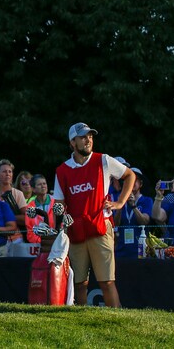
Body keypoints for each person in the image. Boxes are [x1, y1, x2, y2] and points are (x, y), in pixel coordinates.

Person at [53, 122, 134, 308]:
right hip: (76, 231)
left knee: (107, 281)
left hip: (100, 227)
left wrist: (120, 203)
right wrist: (59, 223)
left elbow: (130, 175)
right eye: (83, 137)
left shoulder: (103, 160)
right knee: (79, 283)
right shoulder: (62, 170)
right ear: (73, 142)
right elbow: (58, 204)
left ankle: (117, 321)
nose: (88, 139)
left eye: (90, 136)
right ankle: (81, 321)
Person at [114, 168, 152, 258]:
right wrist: (121, 203)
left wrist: (133, 206)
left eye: (136, 180)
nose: (132, 182)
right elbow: (115, 223)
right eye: (129, 180)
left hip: (140, 249)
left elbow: (145, 221)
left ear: (141, 184)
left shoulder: (147, 200)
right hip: (122, 249)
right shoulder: (119, 199)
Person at [24, 174, 56, 244]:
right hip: (39, 247)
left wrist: (54, 240)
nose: (43, 186)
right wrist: (43, 241)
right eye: (39, 184)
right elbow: (30, 232)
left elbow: (63, 225)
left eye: (44, 183)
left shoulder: (56, 203)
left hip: (57, 243)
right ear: (33, 189)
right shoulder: (30, 208)